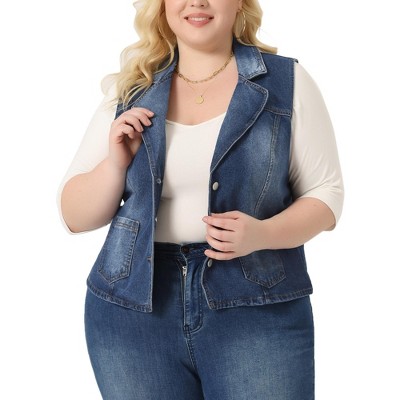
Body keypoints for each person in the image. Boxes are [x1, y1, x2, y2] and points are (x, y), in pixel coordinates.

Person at [58, 0, 344, 398]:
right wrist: (115, 163)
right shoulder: (132, 89)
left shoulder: (286, 82)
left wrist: (262, 234)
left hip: (256, 309)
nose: (197, 2)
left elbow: (327, 195)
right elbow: (75, 217)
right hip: (133, 314)